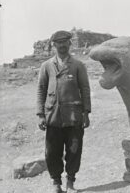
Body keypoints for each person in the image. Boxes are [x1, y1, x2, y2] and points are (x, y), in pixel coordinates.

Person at [36, 30, 91, 193]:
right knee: (52, 151)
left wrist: (86, 113)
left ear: (69, 44)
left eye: (64, 42)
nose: (61, 46)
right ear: (54, 45)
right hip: (53, 116)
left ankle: (70, 183)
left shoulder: (78, 65)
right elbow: (41, 90)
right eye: (58, 43)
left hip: (74, 116)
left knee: (74, 150)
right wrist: (40, 114)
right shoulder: (46, 66)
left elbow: (85, 89)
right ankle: (56, 183)